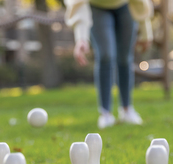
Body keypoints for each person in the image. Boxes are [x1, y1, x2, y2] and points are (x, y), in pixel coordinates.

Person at [64, 0, 153, 128]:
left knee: (124, 58)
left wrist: (146, 31)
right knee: (105, 56)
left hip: (126, 5)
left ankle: (127, 110)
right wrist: (81, 38)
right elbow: (77, 3)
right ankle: (105, 113)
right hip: (96, 7)